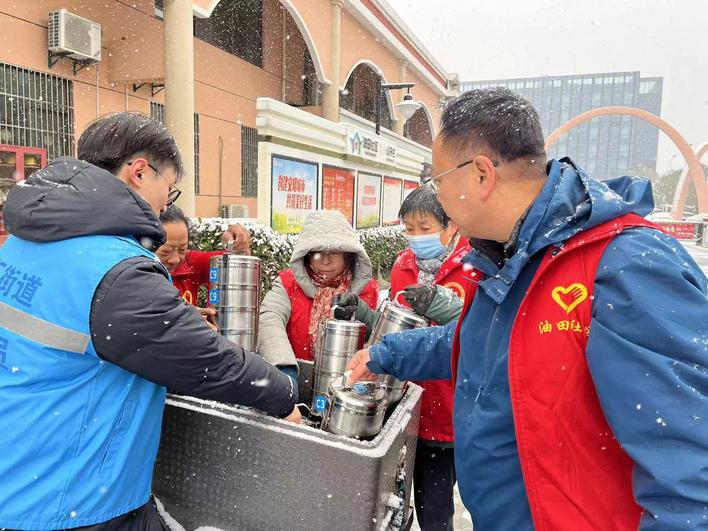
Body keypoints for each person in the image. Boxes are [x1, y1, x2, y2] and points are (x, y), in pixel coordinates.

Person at [348, 88, 708, 530]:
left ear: (481, 174)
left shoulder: (622, 266)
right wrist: (382, 354)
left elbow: (690, 479)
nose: (437, 198)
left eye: (438, 181)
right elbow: (479, 342)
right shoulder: (509, 262)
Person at [0, 112, 299, 531]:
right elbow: (206, 360)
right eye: (170, 187)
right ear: (140, 171)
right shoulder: (114, 267)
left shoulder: (27, 241)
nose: (166, 203)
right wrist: (283, 392)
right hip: (74, 498)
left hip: (22, 466)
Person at [334, 186, 472, 531]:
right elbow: (395, 326)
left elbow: (481, 333)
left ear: (451, 224)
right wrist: (365, 314)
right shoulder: (403, 265)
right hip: (399, 408)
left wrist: (444, 307)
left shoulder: (474, 267)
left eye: (425, 228)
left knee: (435, 511)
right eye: (409, 229)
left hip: (446, 414)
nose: (415, 238)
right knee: (392, 504)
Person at [258, 209, 379, 390]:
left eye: (334, 252)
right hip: (299, 381)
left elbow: (377, 340)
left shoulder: (366, 290)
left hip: (347, 387)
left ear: (348, 254)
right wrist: (284, 366)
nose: (325, 261)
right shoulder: (288, 284)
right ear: (306, 255)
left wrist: (362, 314)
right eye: (317, 252)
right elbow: (269, 319)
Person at [157, 204, 251, 306]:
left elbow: (237, 261)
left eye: (182, 249)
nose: (175, 259)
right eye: (165, 251)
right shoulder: (139, 274)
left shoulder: (189, 263)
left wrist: (236, 242)